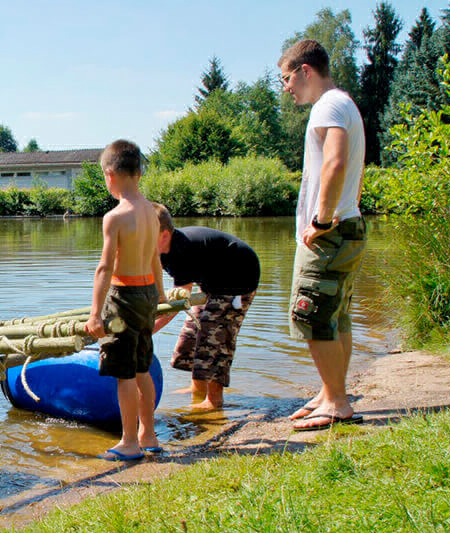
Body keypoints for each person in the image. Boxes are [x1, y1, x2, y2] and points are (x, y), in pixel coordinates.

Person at [278, 39, 367, 431]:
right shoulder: (345, 104)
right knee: (336, 316)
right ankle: (332, 392)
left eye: (287, 78)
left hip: (330, 231)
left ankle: (337, 402)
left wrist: (322, 220)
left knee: (311, 315)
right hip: (348, 224)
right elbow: (353, 171)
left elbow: (335, 161)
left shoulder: (328, 105)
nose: (286, 88)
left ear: (305, 70)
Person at [85, 139, 165, 461]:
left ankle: (129, 442)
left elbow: (105, 267)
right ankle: (149, 434)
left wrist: (94, 314)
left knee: (125, 373)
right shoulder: (152, 212)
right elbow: (156, 261)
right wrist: (159, 293)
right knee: (143, 367)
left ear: (110, 174)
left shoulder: (115, 216)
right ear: (139, 173)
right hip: (147, 295)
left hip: (123, 298)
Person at [152, 204, 259, 410]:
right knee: (192, 334)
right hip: (213, 282)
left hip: (238, 280)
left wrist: (147, 331)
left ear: (164, 235)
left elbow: (175, 306)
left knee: (213, 334)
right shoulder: (160, 250)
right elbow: (160, 297)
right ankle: (197, 390)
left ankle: (214, 400)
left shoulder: (181, 251)